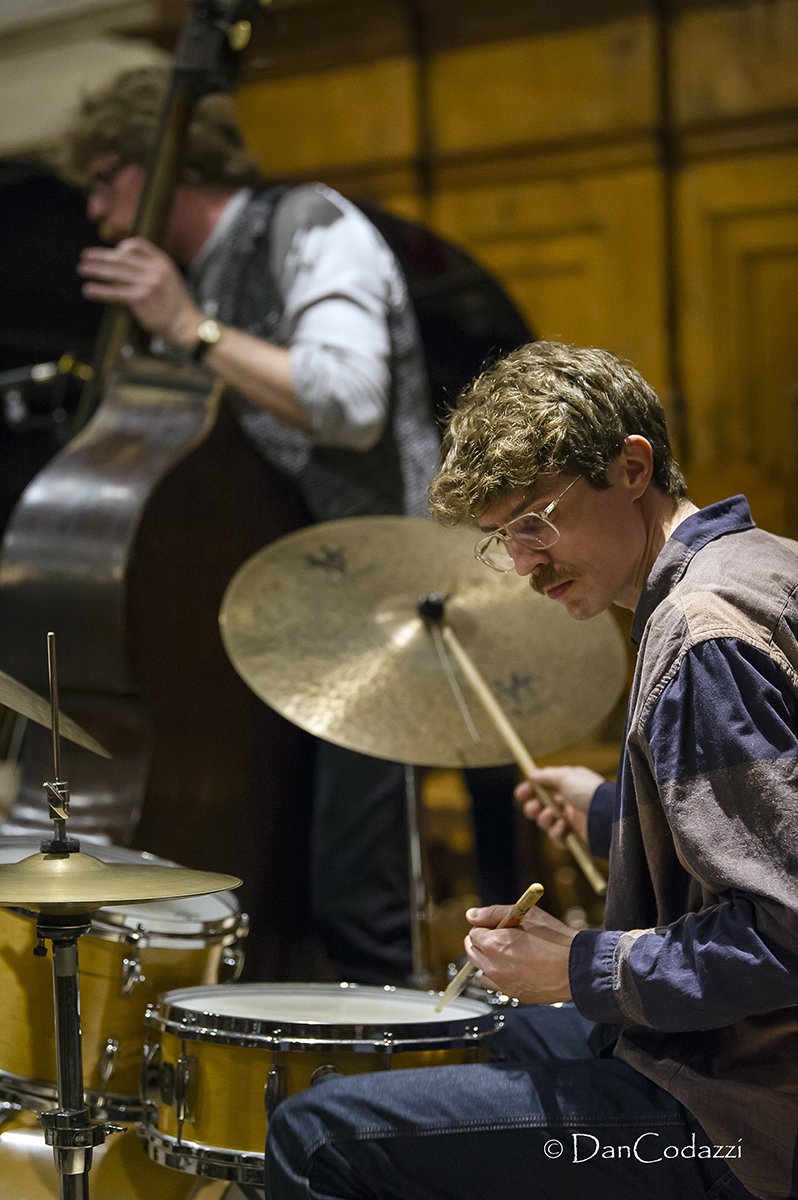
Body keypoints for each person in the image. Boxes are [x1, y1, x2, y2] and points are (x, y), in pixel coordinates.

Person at [264, 341, 798, 1200]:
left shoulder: (702, 638)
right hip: (727, 1060)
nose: (522, 563)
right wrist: (612, 812)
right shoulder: (765, 567)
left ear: (632, 467)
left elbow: (784, 930)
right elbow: (771, 817)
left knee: (319, 1134)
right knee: (471, 1040)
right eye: (501, 538)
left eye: (535, 520)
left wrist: (579, 967)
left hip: (741, 1122)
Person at [57, 66, 445, 985]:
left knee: (360, 897)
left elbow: (349, 402)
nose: (103, 213)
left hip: (396, 591)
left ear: (166, 163)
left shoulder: (309, 226)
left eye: (107, 181)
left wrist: (190, 328)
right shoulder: (206, 276)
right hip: (304, 605)